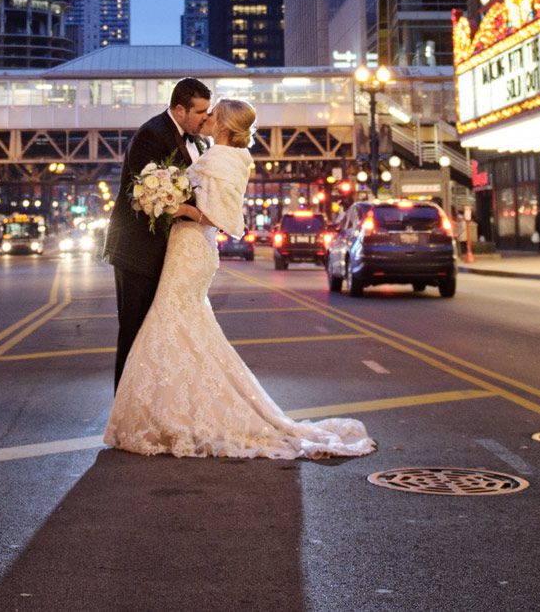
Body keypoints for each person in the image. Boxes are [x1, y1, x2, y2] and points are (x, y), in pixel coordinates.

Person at [105, 100, 374, 460]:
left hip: (190, 249)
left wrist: (176, 205)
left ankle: (168, 413)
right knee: (183, 329)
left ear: (224, 124)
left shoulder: (220, 158)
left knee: (171, 324)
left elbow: (222, 218)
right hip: (188, 249)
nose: (207, 117)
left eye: (213, 113)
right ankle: (172, 408)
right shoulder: (222, 154)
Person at [105, 77, 214, 389]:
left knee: (162, 332)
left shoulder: (200, 141)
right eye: (200, 112)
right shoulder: (151, 135)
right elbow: (143, 194)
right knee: (135, 329)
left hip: (175, 252)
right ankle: (125, 412)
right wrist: (193, 212)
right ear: (179, 110)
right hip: (138, 250)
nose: (206, 118)